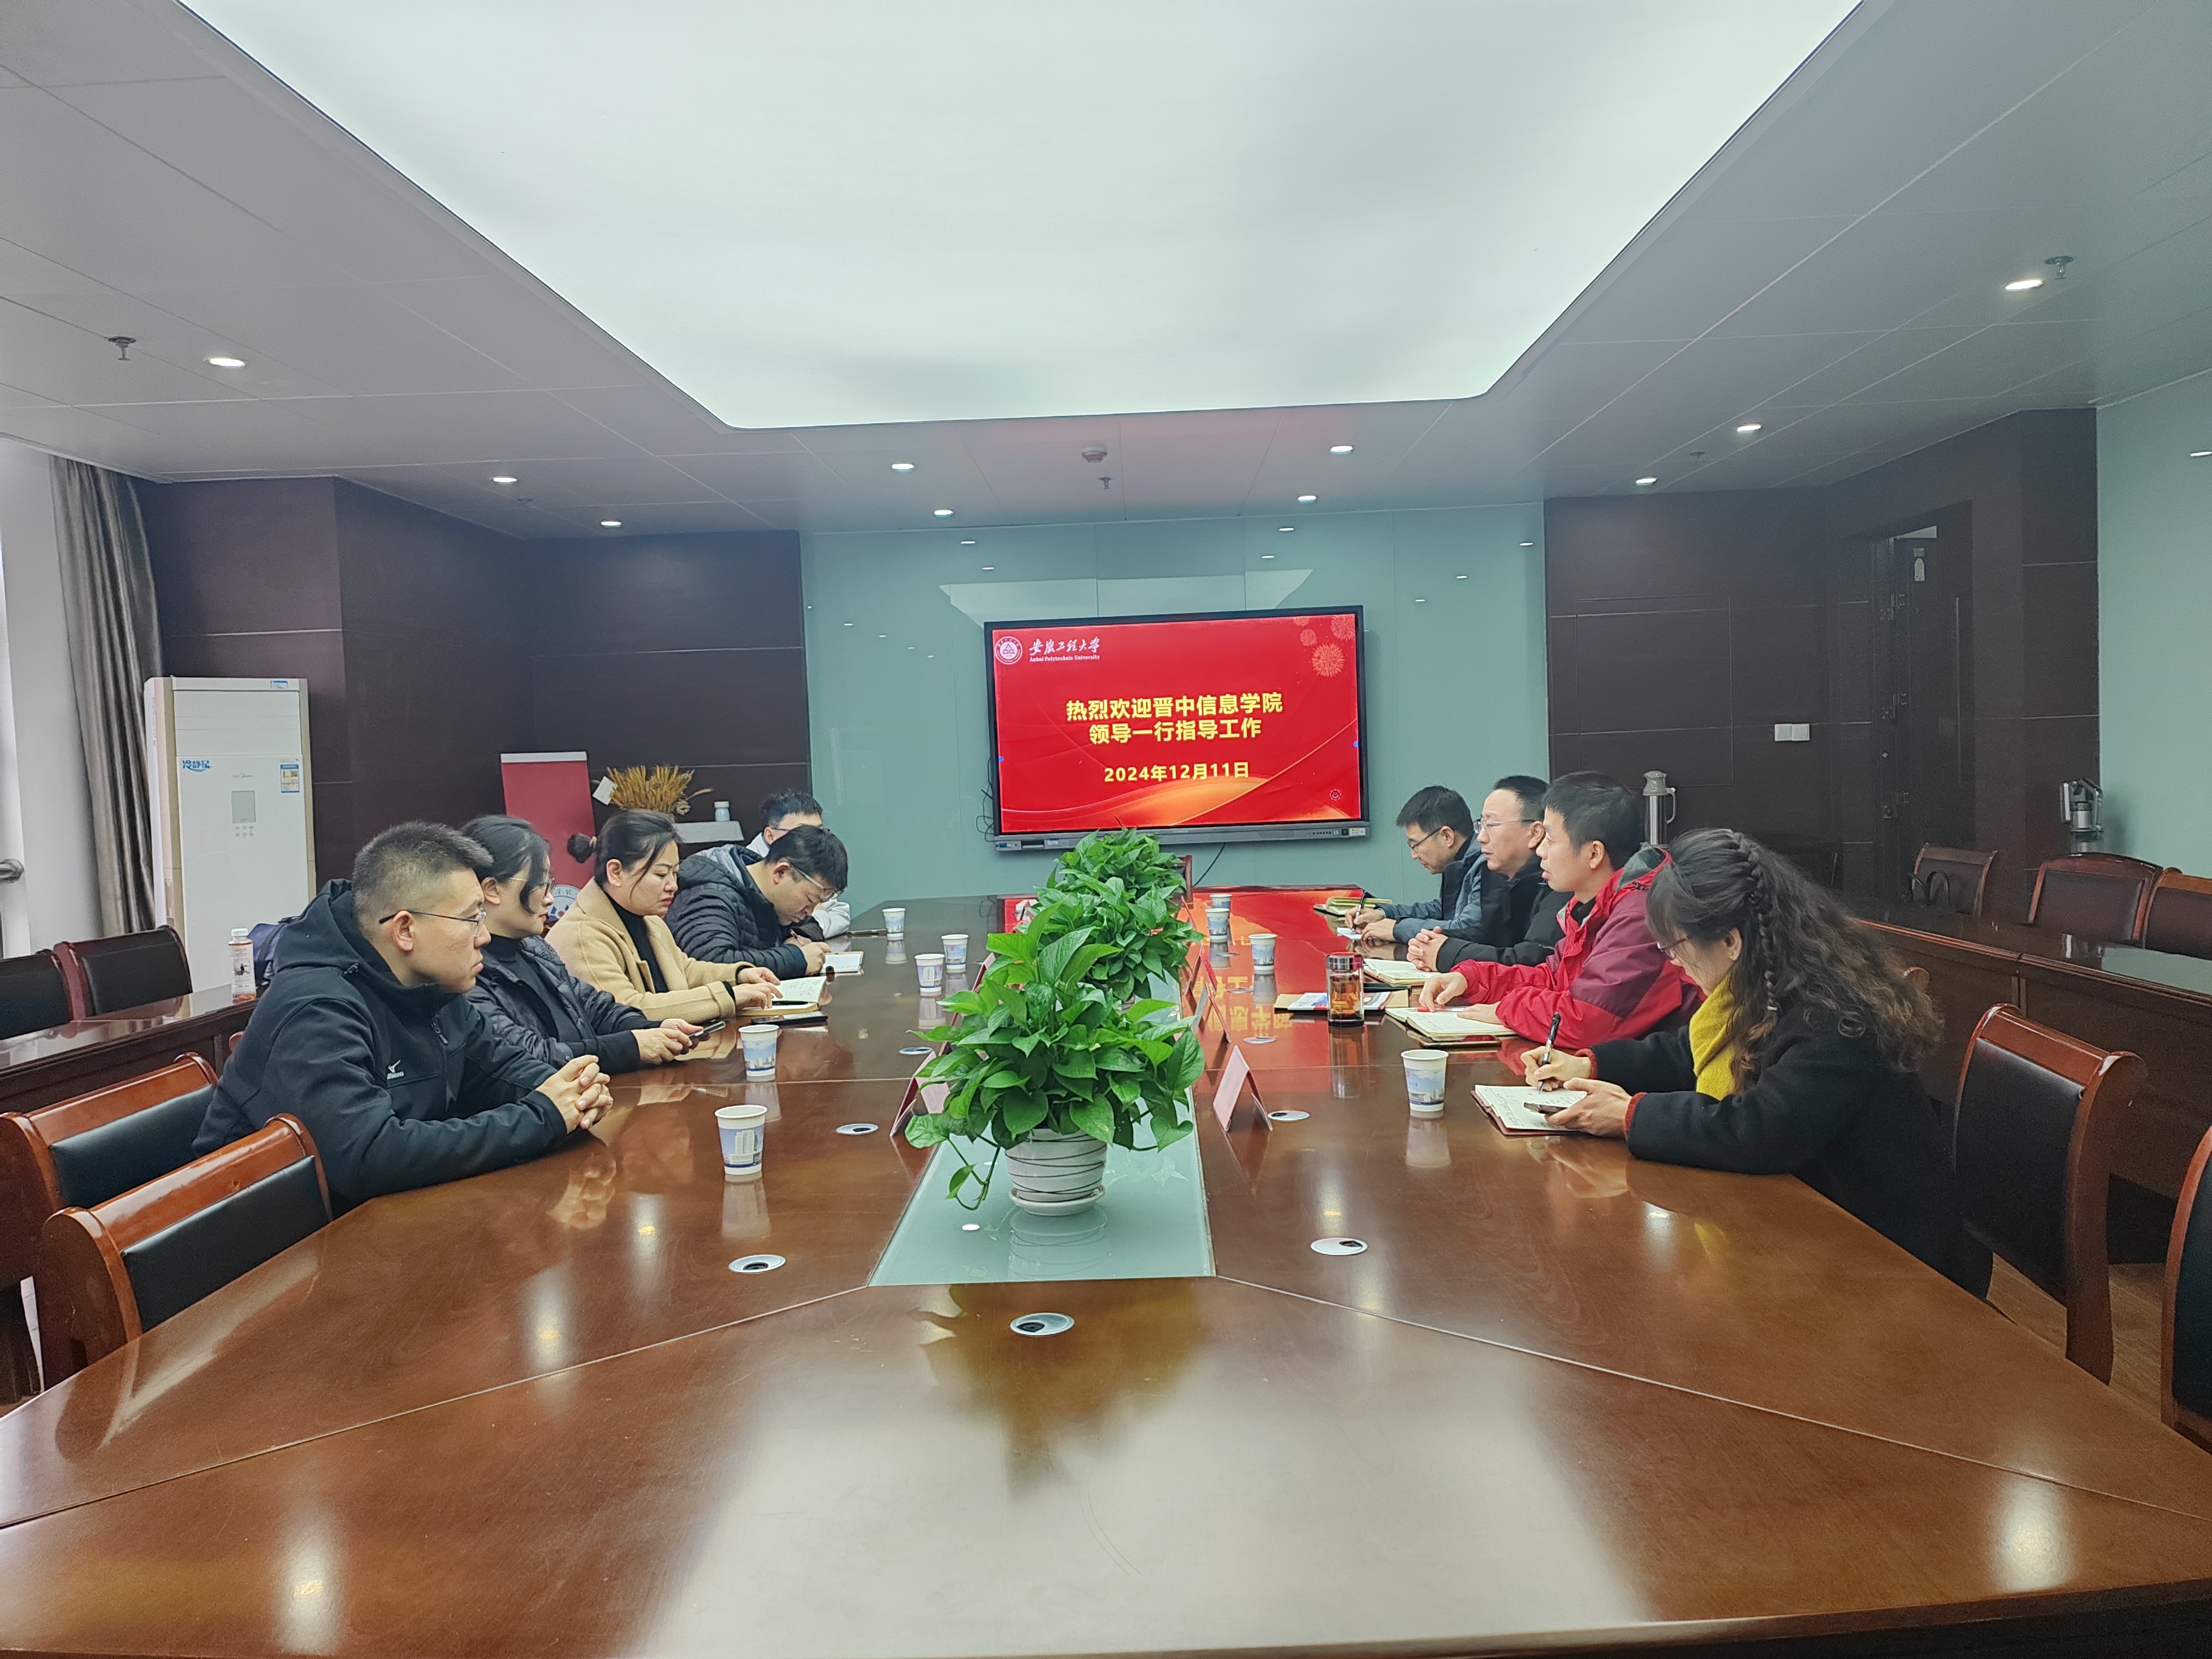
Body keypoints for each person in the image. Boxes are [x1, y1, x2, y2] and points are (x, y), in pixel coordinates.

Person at [1525, 828, 1986, 1292]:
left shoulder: (1833, 1017)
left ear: (1731, 941)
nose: (1673, 963)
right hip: (1809, 1227)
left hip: (1890, 1262)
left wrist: (1631, 1114)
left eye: (1675, 946)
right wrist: (1591, 1065)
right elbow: (1689, 1051)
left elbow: (1758, 1129)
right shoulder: (1766, 982)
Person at [195, 821, 612, 1210]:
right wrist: (542, 1116)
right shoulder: (316, 1009)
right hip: (274, 1242)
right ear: (406, 930)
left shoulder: (431, 985)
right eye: (472, 919)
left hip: (392, 1220)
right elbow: (369, 1155)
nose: (484, 936)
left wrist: (573, 1092)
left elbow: (496, 1066)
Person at [1417, 771, 1694, 1046]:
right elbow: (1553, 979)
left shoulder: (1639, 915)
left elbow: (1586, 1021)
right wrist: (1472, 979)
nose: (1540, 851)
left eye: (1550, 839)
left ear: (1594, 854)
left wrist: (1506, 1010)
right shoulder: (1590, 905)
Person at [462, 815, 703, 1072]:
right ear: (492, 889)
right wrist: (632, 1046)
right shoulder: (468, 972)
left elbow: (595, 1007)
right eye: (539, 883)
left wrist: (653, 1030)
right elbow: (526, 1056)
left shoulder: (535, 948)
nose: (550, 899)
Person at [550, 810, 779, 1023]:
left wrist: (738, 975)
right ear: (616, 872)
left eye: (675, 873)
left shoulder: (648, 919)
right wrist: (727, 995)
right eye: (661, 874)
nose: (673, 885)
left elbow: (684, 971)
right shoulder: (581, 936)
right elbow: (627, 1011)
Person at [1404, 776, 1558, 972]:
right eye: (1481, 825)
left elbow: (1530, 961)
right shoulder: (1498, 874)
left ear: (1535, 833)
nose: (1481, 838)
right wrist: (1432, 942)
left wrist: (1446, 952)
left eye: (1491, 826)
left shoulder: (1558, 883)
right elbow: (1487, 938)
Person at [668, 822, 850, 979]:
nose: (810, 911)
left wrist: (795, 941)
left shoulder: (770, 890)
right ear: (781, 872)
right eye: (810, 900)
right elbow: (712, 964)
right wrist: (795, 959)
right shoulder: (710, 895)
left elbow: (811, 925)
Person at [1352, 786, 1483, 949]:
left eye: (1416, 845)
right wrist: (1384, 914)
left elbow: (1467, 927)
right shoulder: (1459, 861)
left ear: (1447, 836)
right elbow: (1443, 909)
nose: (1414, 855)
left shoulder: (1487, 865)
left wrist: (1397, 929)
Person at [744, 789, 852, 937]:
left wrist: (810, 929)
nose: (813, 840)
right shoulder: (746, 868)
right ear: (770, 835)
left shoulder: (812, 863)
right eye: (802, 832)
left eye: (818, 831)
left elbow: (840, 913)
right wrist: (812, 924)